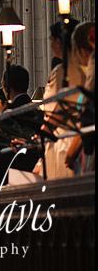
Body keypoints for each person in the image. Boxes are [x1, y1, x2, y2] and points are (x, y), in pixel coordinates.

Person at [39, 21, 95, 179]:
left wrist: (39, 137)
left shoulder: (65, 71)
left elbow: (61, 112)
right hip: (74, 139)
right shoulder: (81, 70)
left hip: (64, 142)